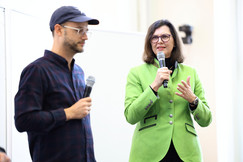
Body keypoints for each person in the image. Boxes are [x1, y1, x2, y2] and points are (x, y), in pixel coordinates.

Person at [14, 6, 99, 162]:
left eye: (87, 31)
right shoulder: (37, 71)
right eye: (79, 30)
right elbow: (23, 120)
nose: (85, 37)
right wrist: (68, 113)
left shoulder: (78, 72)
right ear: (59, 30)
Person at [124, 19, 212, 162]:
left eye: (165, 36)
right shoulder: (136, 73)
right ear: (149, 42)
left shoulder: (191, 72)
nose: (159, 41)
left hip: (186, 152)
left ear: (175, 41)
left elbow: (206, 120)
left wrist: (193, 100)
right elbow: (131, 116)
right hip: (149, 151)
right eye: (154, 37)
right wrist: (154, 87)